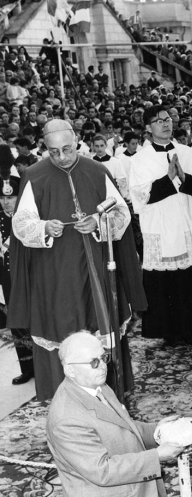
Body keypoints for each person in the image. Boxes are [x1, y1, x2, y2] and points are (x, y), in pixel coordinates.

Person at [8, 119, 144, 401]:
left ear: (77, 141)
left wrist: (97, 222)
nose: (60, 157)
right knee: (60, 328)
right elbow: (21, 224)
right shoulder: (34, 175)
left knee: (101, 325)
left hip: (95, 265)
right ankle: (66, 402)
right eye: (53, 151)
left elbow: (121, 214)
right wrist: (44, 227)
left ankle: (110, 397)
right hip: (54, 270)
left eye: (66, 149)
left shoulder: (96, 171)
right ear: (44, 147)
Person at [47, 331, 185, 497]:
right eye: (94, 362)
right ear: (70, 370)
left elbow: (123, 427)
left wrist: (158, 431)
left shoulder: (96, 385)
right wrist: (157, 456)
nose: (104, 366)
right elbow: (103, 471)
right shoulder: (66, 419)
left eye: (103, 357)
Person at [130, 105, 192, 347]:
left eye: (167, 119)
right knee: (166, 282)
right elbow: (140, 197)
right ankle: (168, 332)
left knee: (188, 279)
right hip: (161, 224)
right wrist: (167, 178)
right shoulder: (140, 159)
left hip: (187, 221)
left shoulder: (188, 152)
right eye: (158, 120)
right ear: (147, 128)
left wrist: (184, 178)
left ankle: (189, 329)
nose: (165, 124)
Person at [0, 154, 33, 385]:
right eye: (1, 198)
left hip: (28, 276)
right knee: (18, 324)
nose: (5, 202)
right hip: (8, 278)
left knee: (35, 321)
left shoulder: (27, 216)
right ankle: (28, 366)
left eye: (10, 198)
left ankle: (44, 365)